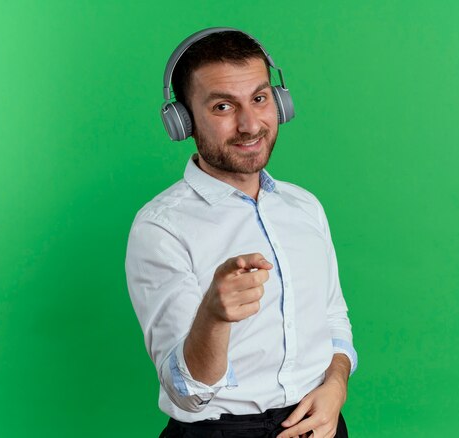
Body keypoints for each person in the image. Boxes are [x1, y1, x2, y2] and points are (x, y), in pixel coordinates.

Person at [125, 27, 358, 438]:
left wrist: (336, 386)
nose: (250, 125)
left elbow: (333, 319)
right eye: (222, 107)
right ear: (183, 121)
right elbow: (186, 393)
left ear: (280, 101)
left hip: (319, 422)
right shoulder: (161, 227)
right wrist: (213, 317)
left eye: (260, 98)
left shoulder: (304, 206)